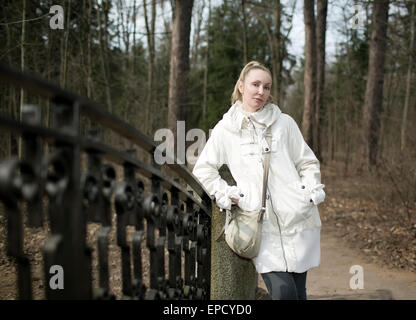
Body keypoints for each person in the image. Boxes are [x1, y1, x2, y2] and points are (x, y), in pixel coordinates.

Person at [192, 61, 325, 300]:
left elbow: (307, 162)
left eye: (266, 86)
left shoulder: (285, 123)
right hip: (260, 225)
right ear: (241, 86)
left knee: (298, 292)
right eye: (255, 84)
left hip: (297, 218)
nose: (261, 91)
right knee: (284, 293)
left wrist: (309, 190)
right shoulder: (226, 130)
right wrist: (225, 193)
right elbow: (204, 169)